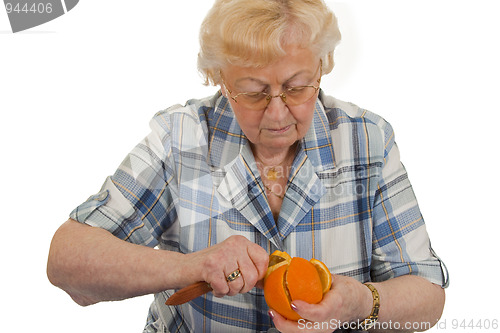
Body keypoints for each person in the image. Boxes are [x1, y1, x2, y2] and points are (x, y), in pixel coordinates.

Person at [47, 0, 448, 332]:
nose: (277, 113)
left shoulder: (367, 139)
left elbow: (429, 297)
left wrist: (362, 302)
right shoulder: (180, 138)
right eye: (253, 92)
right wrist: (195, 265)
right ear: (220, 79)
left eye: (296, 87)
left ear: (323, 66)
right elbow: (66, 260)